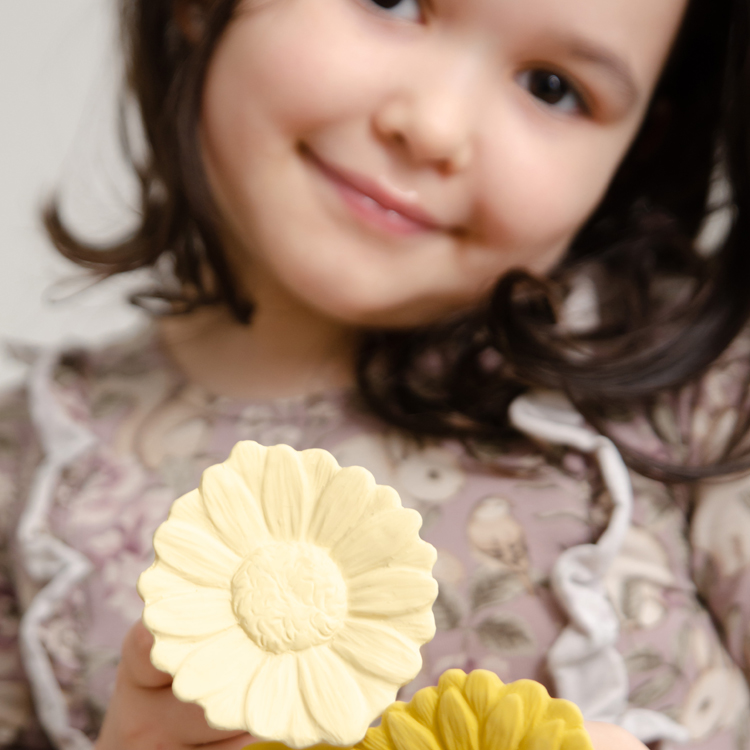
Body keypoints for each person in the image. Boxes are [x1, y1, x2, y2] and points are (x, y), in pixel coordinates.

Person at [1, 0, 749, 747]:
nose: (434, 128)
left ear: (636, 149)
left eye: (551, 87)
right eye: (393, 2)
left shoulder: (707, 398)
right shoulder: (27, 482)